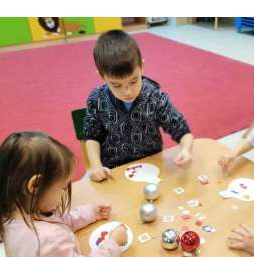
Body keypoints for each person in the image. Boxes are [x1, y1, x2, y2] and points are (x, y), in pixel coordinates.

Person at [83, 30, 194, 182]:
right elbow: (92, 136)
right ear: (102, 76)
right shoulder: (97, 99)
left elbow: (182, 130)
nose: (127, 92)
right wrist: (96, 166)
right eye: (116, 85)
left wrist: (186, 150)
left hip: (151, 166)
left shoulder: (154, 96)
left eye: (134, 81)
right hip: (114, 171)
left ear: (142, 67)